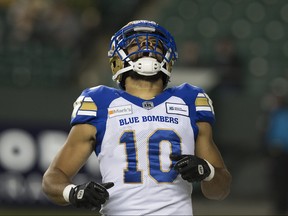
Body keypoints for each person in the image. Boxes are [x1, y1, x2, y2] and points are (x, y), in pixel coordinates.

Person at [42, 20, 232, 215]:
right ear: (117, 58)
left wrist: (207, 171)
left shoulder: (189, 100)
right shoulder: (99, 102)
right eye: (136, 43)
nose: (147, 47)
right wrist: (73, 192)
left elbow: (220, 190)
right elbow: (52, 178)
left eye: (154, 44)